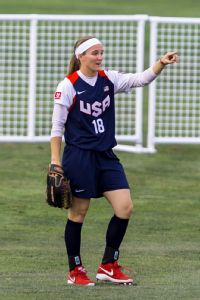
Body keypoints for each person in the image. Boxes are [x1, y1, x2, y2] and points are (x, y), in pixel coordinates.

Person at [50, 36, 178, 286]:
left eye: (101, 52)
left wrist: (160, 63)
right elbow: (57, 129)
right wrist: (56, 163)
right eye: (94, 53)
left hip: (106, 156)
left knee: (124, 207)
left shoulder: (108, 79)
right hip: (79, 157)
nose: (99, 57)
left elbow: (140, 79)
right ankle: (75, 270)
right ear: (80, 56)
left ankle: (108, 265)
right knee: (78, 213)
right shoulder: (68, 85)